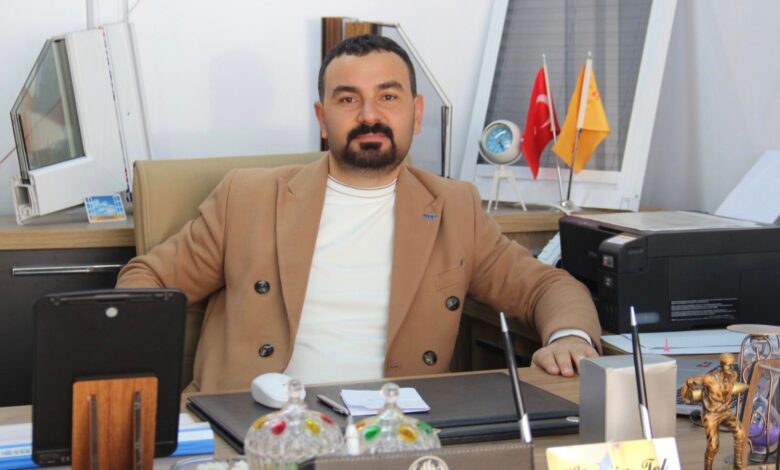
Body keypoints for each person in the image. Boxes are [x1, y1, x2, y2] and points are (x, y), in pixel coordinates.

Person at [117, 35, 601, 392]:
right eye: (348, 99)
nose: (369, 115)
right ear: (322, 119)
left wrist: (570, 337)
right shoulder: (248, 197)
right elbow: (147, 279)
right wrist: (138, 383)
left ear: (416, 113)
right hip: (256, 425)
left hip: (394, 430)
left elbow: (546, 286)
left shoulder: (455, 208)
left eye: (387, 97)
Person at [681, 353, 747, 470]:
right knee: (713, 447)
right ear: (722, 365)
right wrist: (684, 398)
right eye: (728, 365)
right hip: (711, 414)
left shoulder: (733, 375)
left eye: (733, 365)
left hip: (725, 412)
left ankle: (738, 464)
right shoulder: (709, 379)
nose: (731, 368)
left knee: (740, 432)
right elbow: (689, 381)